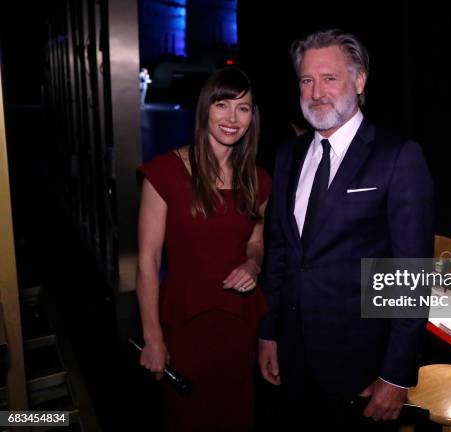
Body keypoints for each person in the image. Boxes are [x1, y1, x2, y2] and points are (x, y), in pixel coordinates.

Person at [258, 29, 434, 430]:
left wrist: (396, 375)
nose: (316, 91)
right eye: (306, 80)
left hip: (361, 370)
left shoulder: (398, 156)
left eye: (329, 78)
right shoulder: (289, 154)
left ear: (359, 81)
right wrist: (268, 332)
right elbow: (281, 253)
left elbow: (411, 276)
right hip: (292, 359)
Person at [136, 67, 271, 431]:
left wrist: (253, 265)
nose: (232, 118)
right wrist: (152, 338)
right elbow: (147, 262)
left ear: (252, 117)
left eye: (243, 108)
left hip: (237, 324)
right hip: (184, 326)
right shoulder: (164, 172)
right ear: (205, 110)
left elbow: (256, 243)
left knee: (237, 415)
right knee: (187, 417)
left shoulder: (258, 180)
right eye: (222, 105)